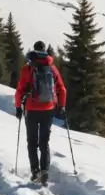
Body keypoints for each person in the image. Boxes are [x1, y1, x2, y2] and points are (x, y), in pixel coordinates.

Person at [15, 40, 67, 185]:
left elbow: (20, 89)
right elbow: (62, 89)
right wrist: (61, 106)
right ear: (45, 51)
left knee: (32, 142)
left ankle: (35, 171)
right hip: (48, 109)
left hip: (31, 109)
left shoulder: (28, 68)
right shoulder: (52, 67)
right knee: (44, 142)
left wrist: (18, 107)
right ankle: (45, 171)